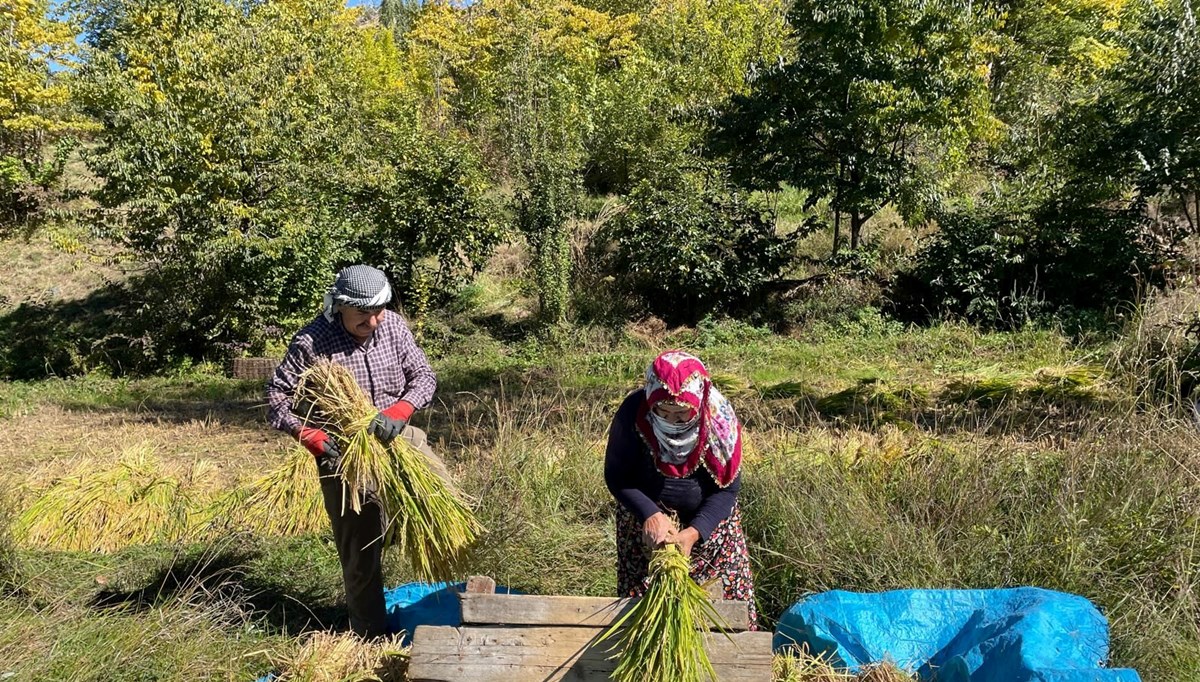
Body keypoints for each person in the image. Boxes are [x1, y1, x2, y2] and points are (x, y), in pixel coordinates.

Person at [266, 264, 440, 639]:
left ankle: (448, 599)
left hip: (397, 436)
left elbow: (424, 377)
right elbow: (276, 398)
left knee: (441, 503)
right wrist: (305, 433)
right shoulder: (311, 343)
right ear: (339, 306)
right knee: (360, 550)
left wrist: (403, 409)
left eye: (378, 311)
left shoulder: (393, 326)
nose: (374, 321)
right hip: (344, 452)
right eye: (363, 313)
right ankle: (370, 635)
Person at [604, 349, 757, 628]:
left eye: (682, 414)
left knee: (722, 613)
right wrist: (650, 514)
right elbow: (617, 476)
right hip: (647, 524)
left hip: (710, 527)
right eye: (663, 411)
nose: (672, 421)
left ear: (697, 404)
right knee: (646, 609)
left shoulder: (719, 420)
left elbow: (727, 490)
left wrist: (694, 533)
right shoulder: (633, 413)